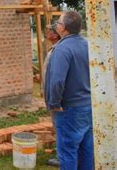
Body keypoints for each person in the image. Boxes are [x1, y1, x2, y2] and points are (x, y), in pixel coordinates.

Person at [44, 11, 93, 169]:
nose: (56, 25)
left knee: (67, 153)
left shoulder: (62, 49)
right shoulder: (87, 44)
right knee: (87, 151)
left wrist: (54, 103)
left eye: (58, 22)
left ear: (63, 28)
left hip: (69, 108)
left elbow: (57, 81)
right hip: (88, 106)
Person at [42, 23, 61, 167]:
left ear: (56, 34)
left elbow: (57, 78)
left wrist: (54, 100)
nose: (46, 32)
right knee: (57, 125)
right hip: (53, 96)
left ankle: (62, 156)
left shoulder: (58, 50)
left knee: (60, 126)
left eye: (49, 30)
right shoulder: (53, 49)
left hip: (57, 99)